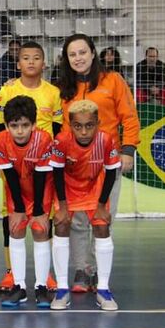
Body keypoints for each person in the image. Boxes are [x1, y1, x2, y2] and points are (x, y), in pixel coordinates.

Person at [56, 33, 139, 293]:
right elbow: (60, 128)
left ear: (93, 53)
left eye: (82, 52)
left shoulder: (113, 81)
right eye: (72, 54)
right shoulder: (62, 89)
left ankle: (98, 271)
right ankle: (83, 269)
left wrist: (127, 150)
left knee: (103, 218)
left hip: (107, 163)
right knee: (78, 220)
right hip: (76, 167)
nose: (78, 58)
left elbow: (130, 117)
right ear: (67, 60)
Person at [0, 41, 61, 291]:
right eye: (26, 58)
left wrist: (45, 151)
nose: (31, 62)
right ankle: (12, 273)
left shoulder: (53, 92)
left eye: (36, 58)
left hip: (42, 162)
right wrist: (11, 149)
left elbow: (59, 129)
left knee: (43, 221)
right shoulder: (7, 91)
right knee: (13, 220)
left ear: (44, 62)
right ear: (18, 63)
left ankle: (46, 276)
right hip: (13, 161)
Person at [50, 100, 121, 311]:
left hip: (94, 188)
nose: (83, 131)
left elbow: (110, 173)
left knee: (102, 226)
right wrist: (62, 206)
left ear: (98, 123)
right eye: (78, 126)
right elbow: (56, 174)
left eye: (89, 125)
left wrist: (101, 205)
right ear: (69, 125)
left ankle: (103, 290)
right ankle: (62, 289)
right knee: (61, 225)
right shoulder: (61, 141)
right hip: (68, 190)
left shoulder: (106, 140)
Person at [0, 96, 54, 308]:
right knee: (16, 229)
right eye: (14, 126)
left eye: (25, 125)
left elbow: (41, 176)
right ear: (6, 126)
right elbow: (9, 175)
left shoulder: (44, 139)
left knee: (39, 229)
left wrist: (38, 210)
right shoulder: (0, 140)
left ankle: (41, 286)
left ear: (34, 125)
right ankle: (19, 287)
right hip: (16, 189)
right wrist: (18, 208)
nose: (20, 131)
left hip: (40, 189)